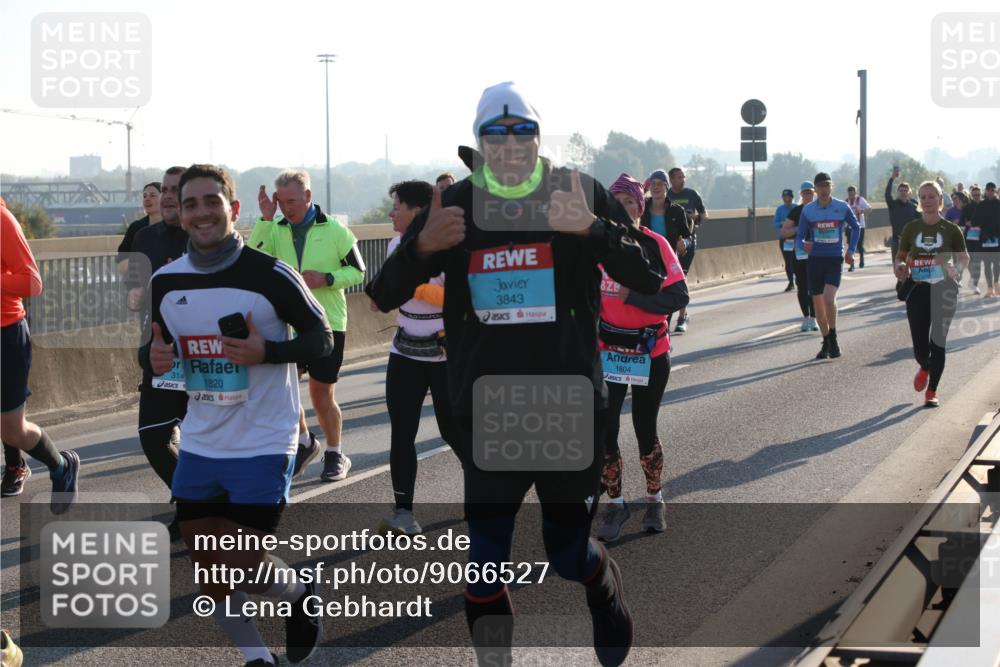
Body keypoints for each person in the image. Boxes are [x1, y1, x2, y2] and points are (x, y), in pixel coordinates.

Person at [366, 81, 665, 667]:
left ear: (537, 135)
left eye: (522, 130)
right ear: (480, 141)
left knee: (567, 554)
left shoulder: (577, 192)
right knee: (483, 566)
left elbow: (650, 276)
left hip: (566, 405)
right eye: (495, 133)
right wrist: (421, 247)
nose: (509, 143)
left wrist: (593, 230)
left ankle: (603, 586)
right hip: (488, 409)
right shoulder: (455, 206)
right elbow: (381, 294)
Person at [142, 164, 334, 666]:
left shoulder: (270, 275)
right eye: (191, 204)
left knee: (243, 564)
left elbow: (322, 340)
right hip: (201, 441)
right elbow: (158, 349)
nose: (201, 213)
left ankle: (298, 592)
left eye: (212, 201)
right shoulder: (165, 282)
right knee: (209, 567)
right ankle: (257, 658)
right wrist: (155, 359)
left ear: (234, 209)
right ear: (181, 213)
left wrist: (267, 352)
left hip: (264, 440)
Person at [251, 169, 366, 482]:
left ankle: (335, 453)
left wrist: (327, 278)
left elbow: (358, 271)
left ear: (308, 197)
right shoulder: (274, 228)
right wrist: (265, 218)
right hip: (287, 322)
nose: (286, 208)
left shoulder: (336, 230)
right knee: (283, 390)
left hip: (328, 322)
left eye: (292, 201)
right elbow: (252, 261)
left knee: (321, 394)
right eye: (281, 202)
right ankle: (304, 440)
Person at [596, 174, 688, 542]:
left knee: (644, 427)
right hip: (609, 353)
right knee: (605, 431)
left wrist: (633, 297)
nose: (623, 208)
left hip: (650, 351)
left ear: (640, 208)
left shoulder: (656, 244)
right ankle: (615, 504)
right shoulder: (598, 249)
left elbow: (678, 297)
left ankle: (654, 499)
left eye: (630, 202)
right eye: (616, 202)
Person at [376, 180, 457, 536]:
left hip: (444, 352)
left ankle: (483, 493)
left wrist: (418, 288)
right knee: (402, 432)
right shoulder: (396, 244)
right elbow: (389, 293)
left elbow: (459, 297)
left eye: (397, 206)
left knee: (453, 430)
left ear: (418, 211)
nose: (391, 213)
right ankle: (403, 512)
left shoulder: (451, 245)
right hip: (404, 351)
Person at [0, 198, 80, 509]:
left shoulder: (2, 219)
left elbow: (32, 282)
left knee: (12, 431)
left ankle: (61, 465)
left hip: (6, 334)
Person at [125, 167, 190, 520]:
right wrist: (134, 296)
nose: (166, 196)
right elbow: (134, 288)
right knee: (153, 437)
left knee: (201, 440)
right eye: (163, 189)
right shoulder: (144, 237)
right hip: (159, 354)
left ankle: (198, 508)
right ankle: (192, 500)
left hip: (202, 356)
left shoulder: (204, 237)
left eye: (174, 190)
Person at [894, 181, 969, 407]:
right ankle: (925, 366)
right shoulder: (911, 228)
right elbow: (900, 256)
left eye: (932, 196)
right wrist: (900, 266)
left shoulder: (951, 229)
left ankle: (932, 391)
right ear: (919, 201)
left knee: (938, 342)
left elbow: (963, 257)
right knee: (920, 349)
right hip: (918, 290)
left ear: (940, 200)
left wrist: (956, 270)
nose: (927, 201)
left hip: (944, 290)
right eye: (923, 197)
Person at [795, 172, 860, 359]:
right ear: (815, 189)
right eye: (820, 186)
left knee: (829, 298)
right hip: (815, 260)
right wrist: (803, 245)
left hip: (834, 259)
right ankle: (826, 342)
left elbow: (856, 227)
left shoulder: (841, 207)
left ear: (832, 187)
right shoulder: (808, 210)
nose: (824, 190)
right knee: (818, 306)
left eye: (827, 186)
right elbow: (799, 237)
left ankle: (833, 336)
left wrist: (850, 251)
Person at [666, 167, 706, 333]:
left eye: (683, 177)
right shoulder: (666, 195)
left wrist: (696, 219)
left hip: (688, 240)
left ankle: (682, 317)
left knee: (681, 276)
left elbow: (704, 214)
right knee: (667, 279)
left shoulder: (692, 194)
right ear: (671, 180)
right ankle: (664, 318)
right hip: (669, 241)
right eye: (678, 177)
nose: (682, 180)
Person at [781, 183, 819, 332]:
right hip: (800, 254)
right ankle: (806, 318)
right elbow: (784, 231)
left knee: (814, 286)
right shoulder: (796, 211)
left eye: (810, 192)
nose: (807, 195)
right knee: (802, 286)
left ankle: (814, 318)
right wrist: (798, 229)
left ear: (814, 193)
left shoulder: (820, 209)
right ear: (801, 195)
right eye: (805, 193)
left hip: (817, 253)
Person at [117, 181, 163, 273]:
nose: (147, 199)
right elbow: (121, 261)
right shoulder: (135, 228)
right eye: (144, 196)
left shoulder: (175, 226)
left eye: (152, 195)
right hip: (141, 280)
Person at [971, 182, 1000, 298]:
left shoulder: (999, 203)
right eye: (988, 190)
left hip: (997, 239)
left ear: (995, 190)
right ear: (986, 191)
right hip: (985, 238)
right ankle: (989, 288)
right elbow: (974, 221)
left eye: (992, 190)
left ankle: (996, 284)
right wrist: (980, 225)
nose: (990, 192)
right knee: (987, 264)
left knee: (997, 264)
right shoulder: (981, 205)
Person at [885, 167, 919, 262]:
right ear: (897, 192)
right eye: (901, 190)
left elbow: (921, 222)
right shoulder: (893, 205)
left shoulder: (914, 207)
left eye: (905, 191)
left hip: (911, 241)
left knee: (913, 265)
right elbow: (887, 194)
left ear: (909, 193)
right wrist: (892, 178)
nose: (903, 192)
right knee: (898, 266)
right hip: (897, 240)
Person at [962, 185, 984, 293]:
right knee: (970, 261)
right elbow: (962, 220)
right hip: (970, 237)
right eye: (974, 195)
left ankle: (975, 284)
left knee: (978, 261)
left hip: (982, 237)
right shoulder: (967, 207)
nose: (977, 197)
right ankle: (972, 277)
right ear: (971, 195)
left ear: (981, 194)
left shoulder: (985, 205)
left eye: (978, 194)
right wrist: (967, 223)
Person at [774, 189, 796, 291]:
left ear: (792, 198)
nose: (787, 199)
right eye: (785, 198)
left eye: (789, 197)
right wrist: (782, 223)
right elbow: (775, 223)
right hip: (786, 239)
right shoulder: (780, 209)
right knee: (788, 261)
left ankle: (801, 279)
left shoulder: (797, 208)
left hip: (797, 238)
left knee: (798, 260)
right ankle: (791, 282)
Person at [845, 186, 871, 270]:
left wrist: (861, 211)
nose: (851, 196)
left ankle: (861, 261)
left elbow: (869, 209)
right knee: (850, 245)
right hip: (849, 227)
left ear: (855, 193)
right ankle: (852, 265)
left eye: (853, 194)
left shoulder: (860, 200)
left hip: (860, 226)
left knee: (859, 244)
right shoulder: (846, 202)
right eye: (850, 194)